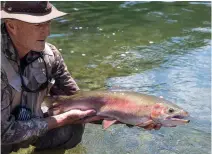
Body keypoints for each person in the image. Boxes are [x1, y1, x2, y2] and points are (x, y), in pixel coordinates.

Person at [1, 1, 161, 154]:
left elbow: (79, 100)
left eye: (48, 23)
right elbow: (4, 133)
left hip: (30, 123)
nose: (47, 32)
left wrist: (133, 117)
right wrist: (63, 119)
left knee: (72, 129)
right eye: (38, 25)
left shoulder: (50, 56)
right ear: (12, 26)